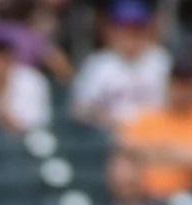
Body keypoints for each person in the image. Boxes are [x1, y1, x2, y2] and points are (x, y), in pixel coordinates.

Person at [117, 52, 192, 198]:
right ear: (167, 85)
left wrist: (156, 151)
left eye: (187, 85)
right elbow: (127, 150)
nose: (181, 91)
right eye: (176, 84)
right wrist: (184, 154)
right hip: (147, 197)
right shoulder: (147, 117)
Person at [70, 1, 172, 129]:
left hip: (157, 132)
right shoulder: (97, 64)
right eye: (124, 28)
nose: (130, 34)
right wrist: (105, 118)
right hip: (109, 134)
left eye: (137, 28)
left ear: (148, 29)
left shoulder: (161, 61)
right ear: (111, 30)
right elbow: (79, 109)